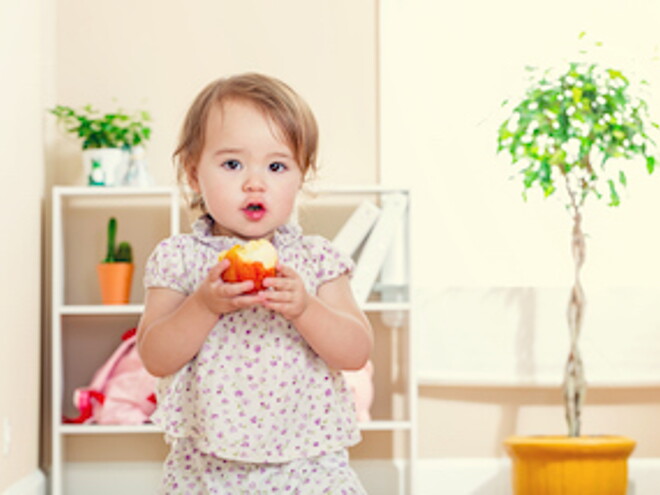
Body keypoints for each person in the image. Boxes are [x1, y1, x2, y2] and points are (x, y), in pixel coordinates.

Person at [137, 72, 373, 494]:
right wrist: (203, 305)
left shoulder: (316, 260)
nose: (254, 182)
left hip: (309, 463)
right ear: (194, 176)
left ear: (301, 177)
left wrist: (307, 308)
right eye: (232, 164)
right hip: (210, 466)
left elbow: (355, 352)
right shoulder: (179, 259)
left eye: (277, 166)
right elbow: (156, 357)